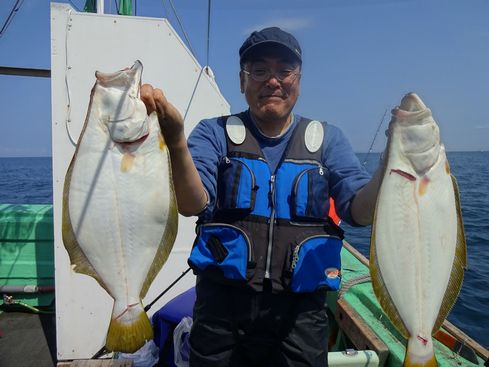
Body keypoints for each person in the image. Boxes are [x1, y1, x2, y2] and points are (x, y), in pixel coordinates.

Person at [141, 26, 383, 367]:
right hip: (221, 309)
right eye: (259, 70)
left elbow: (360, 212)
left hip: (301, 314)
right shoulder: (213, 133)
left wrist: (391, 168)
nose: (273, 81)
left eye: (284, 71)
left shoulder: (329, 139)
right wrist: (177, 139)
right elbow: (193, 204)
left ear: (298, 80)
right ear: (242, 81)